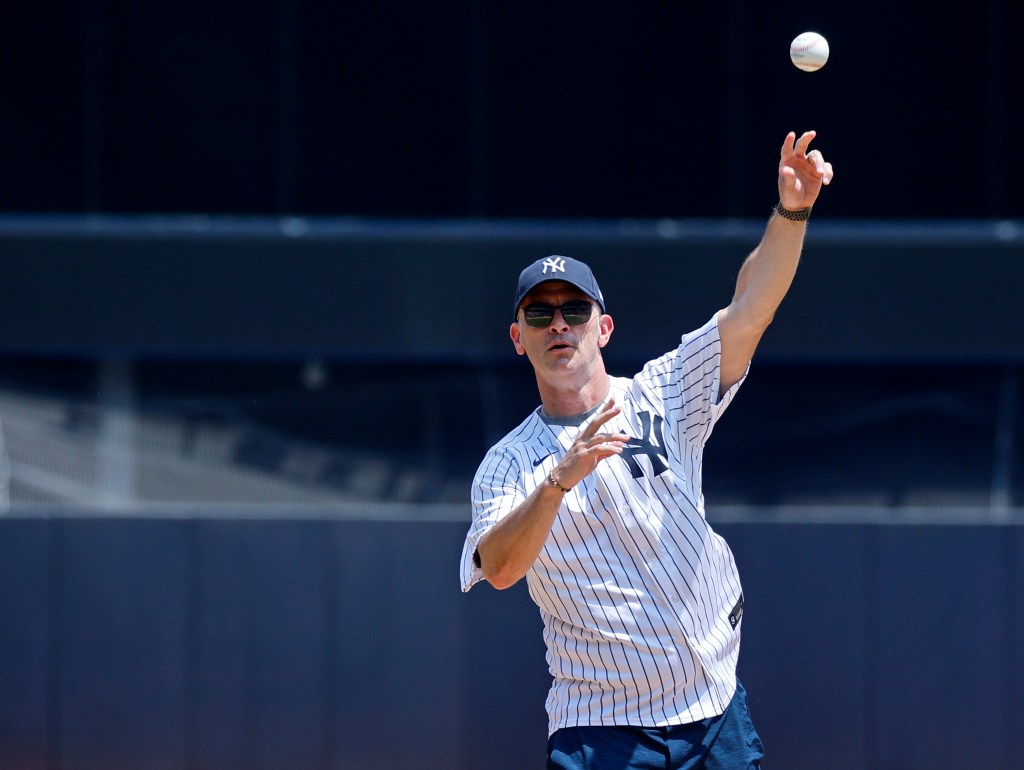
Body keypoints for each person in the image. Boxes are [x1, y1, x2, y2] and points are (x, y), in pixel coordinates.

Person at [460, 131, 834, 769]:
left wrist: (792, 210)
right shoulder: (509, 463)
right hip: (601, 725)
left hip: (712, 707)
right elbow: (497, 568)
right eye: (540, 315)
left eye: (574, 311)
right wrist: (557, 481)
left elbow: (749, 309)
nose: (559, 326)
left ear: (603, 327)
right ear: (518, 338)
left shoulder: (663, 391)